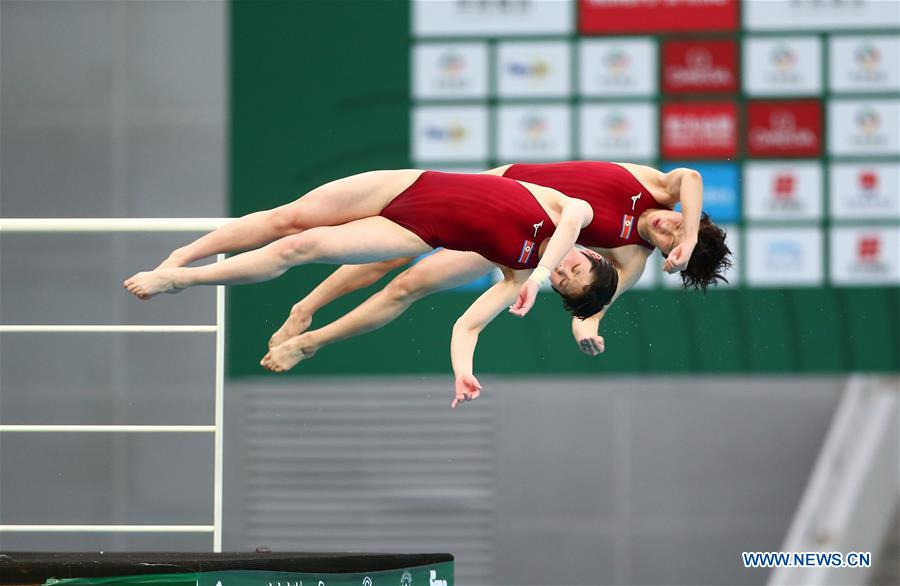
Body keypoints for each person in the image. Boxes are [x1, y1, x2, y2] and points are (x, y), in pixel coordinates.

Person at [124, 169, 619, 407]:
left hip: (413, 232)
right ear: (592, 254)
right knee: (287, 218)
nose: (561, 273)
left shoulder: (518, 274)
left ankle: (181, 280)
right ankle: (183, 254)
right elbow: (569, 229)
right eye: (573, 269)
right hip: (408, 187)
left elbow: (468, 326)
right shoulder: (573, 214)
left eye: (562, 284)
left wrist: (462, 373)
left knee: (304, 247)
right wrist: (537, 277)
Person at [264, 162, 732, 375]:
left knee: (410, 283)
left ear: (671, 258)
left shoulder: (631, 257)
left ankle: (312, 342)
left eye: (672, 239)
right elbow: (691, 178)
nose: (668, 229)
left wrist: (585, 333)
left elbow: (594, 307)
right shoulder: (661, 187)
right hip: (491, 192)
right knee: (391, 251)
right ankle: (305, 309)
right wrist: (689, 236)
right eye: (678, 227)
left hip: (512, 242)